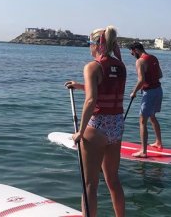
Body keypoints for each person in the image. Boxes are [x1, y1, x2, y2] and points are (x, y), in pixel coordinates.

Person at [64, 26, 126, 217]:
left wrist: (80, 132)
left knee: (90, 184)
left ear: (98, 44)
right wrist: (80, 86)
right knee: (113, 180)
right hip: (116, 125)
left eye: (90, 43)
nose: (89, 48)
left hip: (97, 126)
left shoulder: (92, 66)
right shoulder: (121, 66)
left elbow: (92, 100)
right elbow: (105, 87)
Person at [128, 41, 163, 158]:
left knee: (142, 121)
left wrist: (134, 92)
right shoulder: (153, 57)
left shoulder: (140, 61)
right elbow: (160, 75)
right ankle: (159, 142)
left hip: (149, 93)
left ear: (136, 50)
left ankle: (143, 151)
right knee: (152, 117)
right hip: (158, 90)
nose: (132, 55)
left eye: (132, 53)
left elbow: (141, 80)